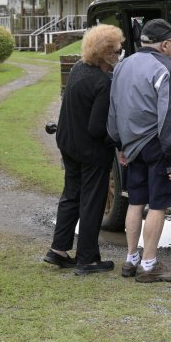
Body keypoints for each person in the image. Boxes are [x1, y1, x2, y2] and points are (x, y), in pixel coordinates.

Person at [107, 19, 171, 283]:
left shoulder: (122, 65)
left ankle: (131, 259)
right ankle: (149, 264)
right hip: (158, 144)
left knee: (135, 200)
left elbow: (113, 110)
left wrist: (120, 145)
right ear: (164, 44)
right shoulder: (168, 69)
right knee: (158, 204)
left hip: (131, 145)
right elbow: (170, 117)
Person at [44, 23, 124, 275]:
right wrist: (118, 141)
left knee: (71, 195)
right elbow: (97, 128)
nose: (120, 55)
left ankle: (58, 249)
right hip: (89, 150)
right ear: (106, 53)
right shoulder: (102, 81)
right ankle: (87, 258)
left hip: (68, 143)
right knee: (92, 201)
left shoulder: (79, 69)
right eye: (118, 51)